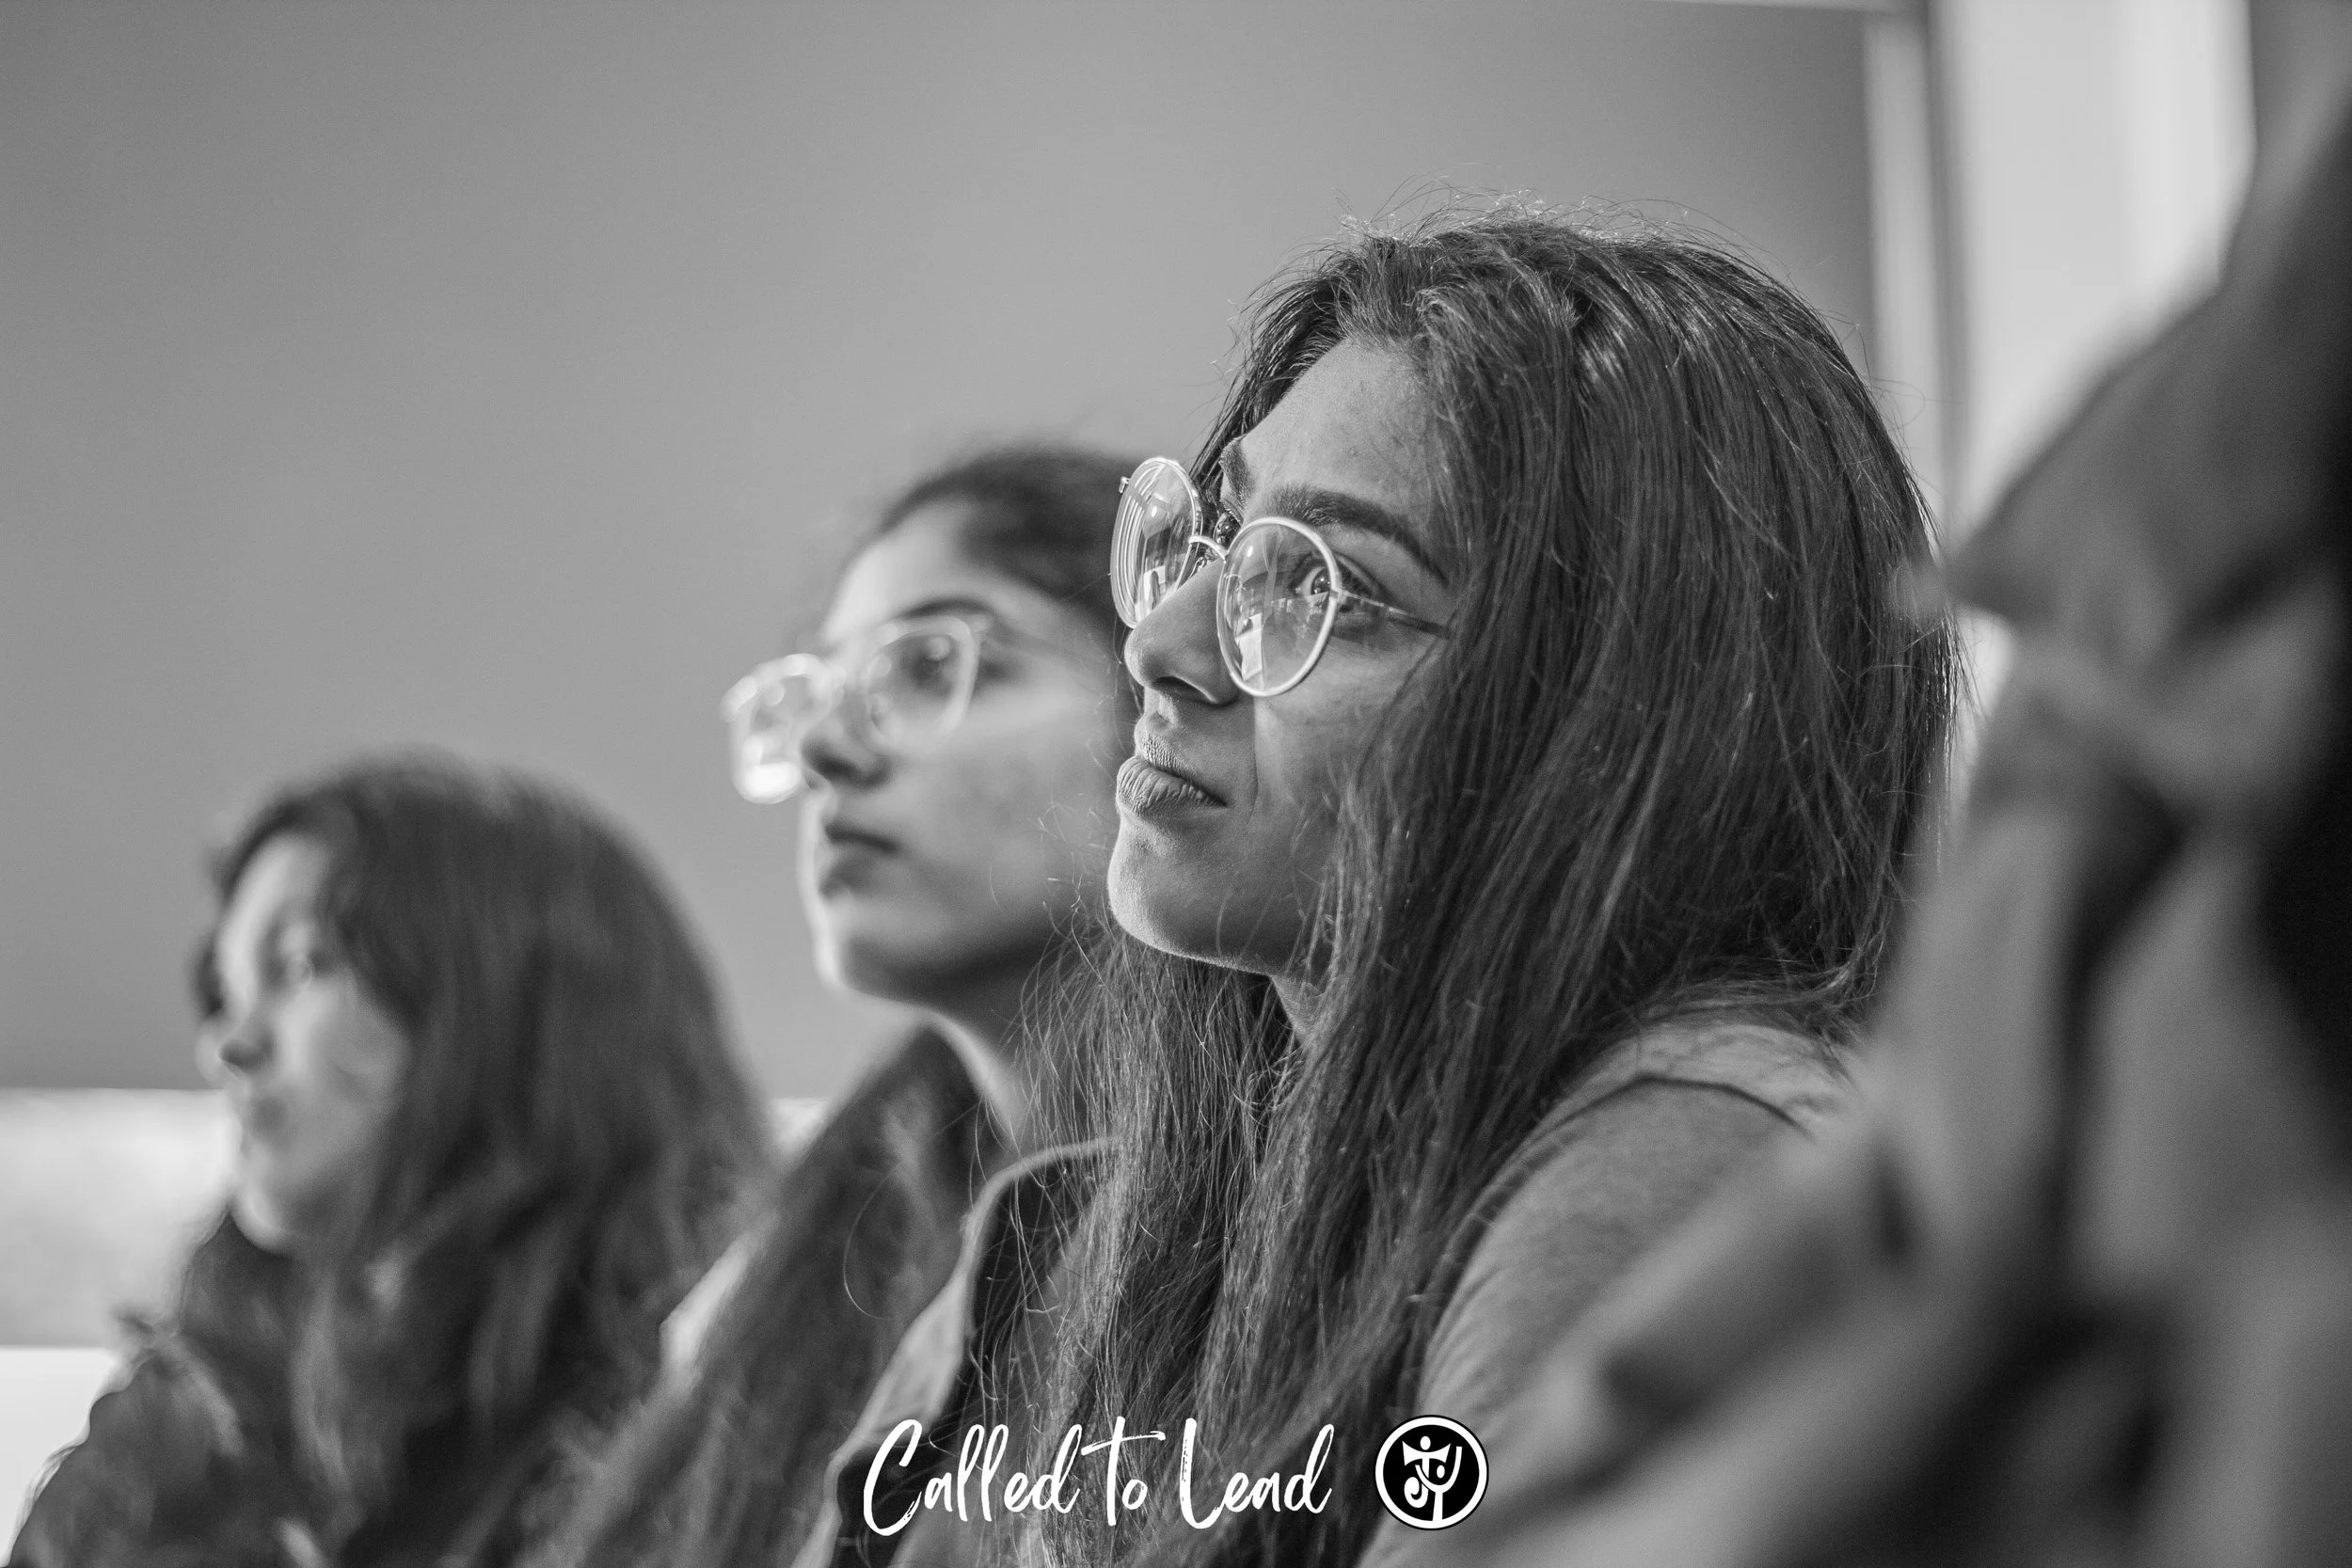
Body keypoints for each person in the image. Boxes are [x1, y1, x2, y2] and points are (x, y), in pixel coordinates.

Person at [804, 204, 1959, 1568]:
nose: (1162, 643)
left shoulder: (1682, 1156)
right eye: (1215, 543)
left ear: (1614, 719)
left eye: (1331, 590)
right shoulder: (1142, 1218)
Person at [538, 444, 1139, 1568]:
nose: (822, 748)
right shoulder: (792, 1274)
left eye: (929, 664)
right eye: (810, 696)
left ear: (1171, 688)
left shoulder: (1322, 1204)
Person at [8, 757, 771, 1568]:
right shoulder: (167, 1442)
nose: (228, 1045)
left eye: (300, 966)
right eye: (226, 991)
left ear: (504, 1013)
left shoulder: (716, 1421)